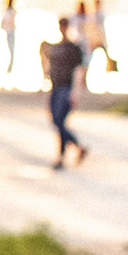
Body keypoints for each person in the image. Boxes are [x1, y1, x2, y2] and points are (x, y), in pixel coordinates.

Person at [40, 30, 88, 168]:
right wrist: (44, 86)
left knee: (59, 121)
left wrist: (75, 92)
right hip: (55, 88)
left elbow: (79, 70)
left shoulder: (73, 48)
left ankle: (61, 157)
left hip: (66, 89)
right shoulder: (55, 48)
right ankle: (78, 147)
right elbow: (48, 68)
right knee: (56, 121)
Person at [1, 0, 18, 75]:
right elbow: (5, 23)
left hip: (9, 32)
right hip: (10, 32)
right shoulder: (10, 12)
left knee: (12, 51)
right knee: (11, 51)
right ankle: (9, 69)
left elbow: (3, 24)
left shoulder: (8, 11)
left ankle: (10, 69)